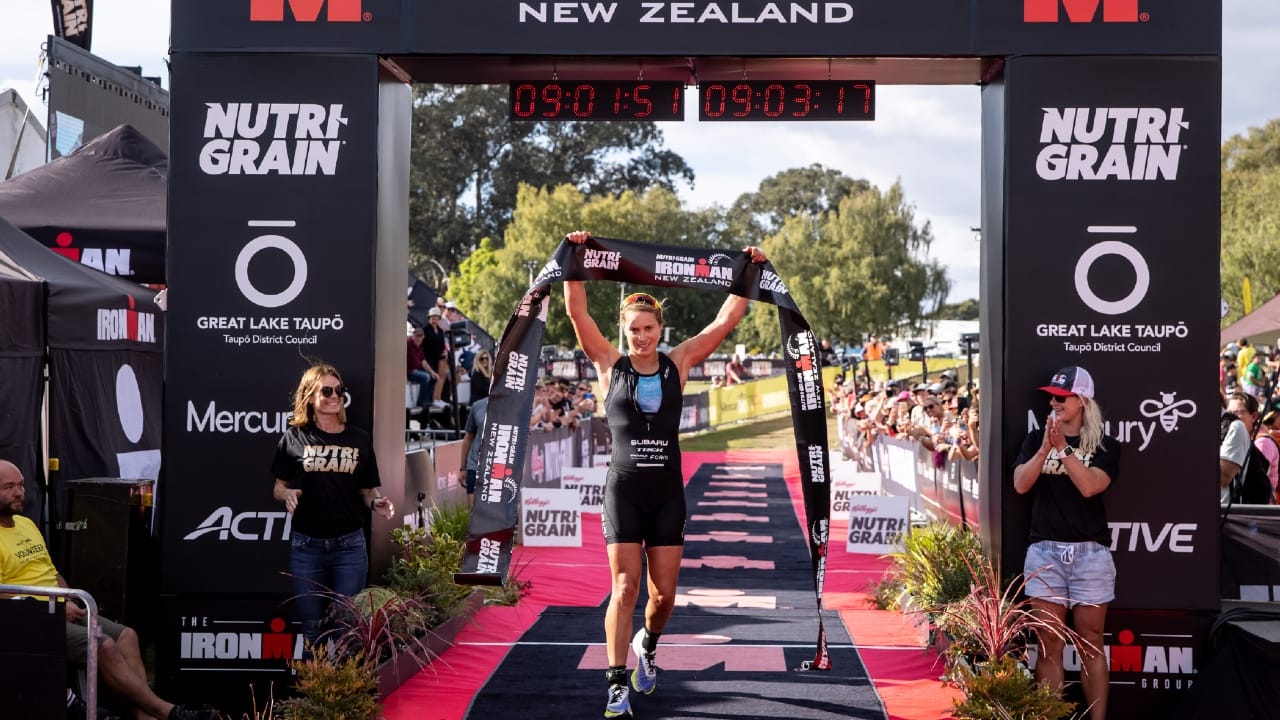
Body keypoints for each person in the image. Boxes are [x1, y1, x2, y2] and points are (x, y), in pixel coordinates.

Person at [563, 230, 767, 719]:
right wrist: (573, 256)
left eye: (649, 328)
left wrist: (750, 270)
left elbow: (727, 317)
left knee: (663, 595)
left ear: (660, 329)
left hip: (667, 495)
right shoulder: (609, 366)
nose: (642, 336)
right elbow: (577, 313)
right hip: (624, 490)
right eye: (634, 329)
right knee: (625, 587)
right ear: (624, 330)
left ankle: (647, 645)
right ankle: (616, 683)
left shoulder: (679, 363)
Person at [0, 460, 222, 720]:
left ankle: (145, 716)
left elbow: (51, 572)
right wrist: (55, 608)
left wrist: (70, 597)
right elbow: (4, 595)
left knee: (127, 635)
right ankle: (168, 713)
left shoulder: (27, 524)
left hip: (64, 605)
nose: (19, 492)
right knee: (102, 645)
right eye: (9, 487)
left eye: (21, 485)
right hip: (32, 620)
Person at [1011, 366, 1119, 720]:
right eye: (1051, 397)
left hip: (1091, 554)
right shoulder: (1034, 439)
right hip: (1045, 552)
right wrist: (1045, 449)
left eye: (1062, 397)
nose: (1054, 402)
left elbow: (1090, 486)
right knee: (1049, 644)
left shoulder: (1104, 445)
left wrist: (1064, 450)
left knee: (1090, 643)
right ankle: (1048, 716)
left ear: (1082, 400)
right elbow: (1020, 485)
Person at [271, 364, 392, 650]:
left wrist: (376, 502)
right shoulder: (294, 437)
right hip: (306, 546)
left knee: (347, 629)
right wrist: (286, 493)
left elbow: (366, 491)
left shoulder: (358, 438)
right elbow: (278, 487)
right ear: (310, 396)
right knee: (312, 630)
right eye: (326, 391)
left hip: (349, 545)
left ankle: (346, 692)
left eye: (339, 390)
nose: (334, 396)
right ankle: (320, 693)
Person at [457, 396, 489, 509]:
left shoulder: (513, 406)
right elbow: (468, 438)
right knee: (473, 512)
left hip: (500, 466)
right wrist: (463, 468)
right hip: (475, 464)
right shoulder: (478, 406)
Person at [407, 327, 439, 413]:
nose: (418, 338)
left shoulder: (420, 347)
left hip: (416, 371)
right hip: (408, 371)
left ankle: (427, 400)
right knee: (425, 377)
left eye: (420, 336)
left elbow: (423, 361)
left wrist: (432, 371)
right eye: (417, 336)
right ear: (413, 336)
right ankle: (421, 402)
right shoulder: (407, 343)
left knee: (434, 377)